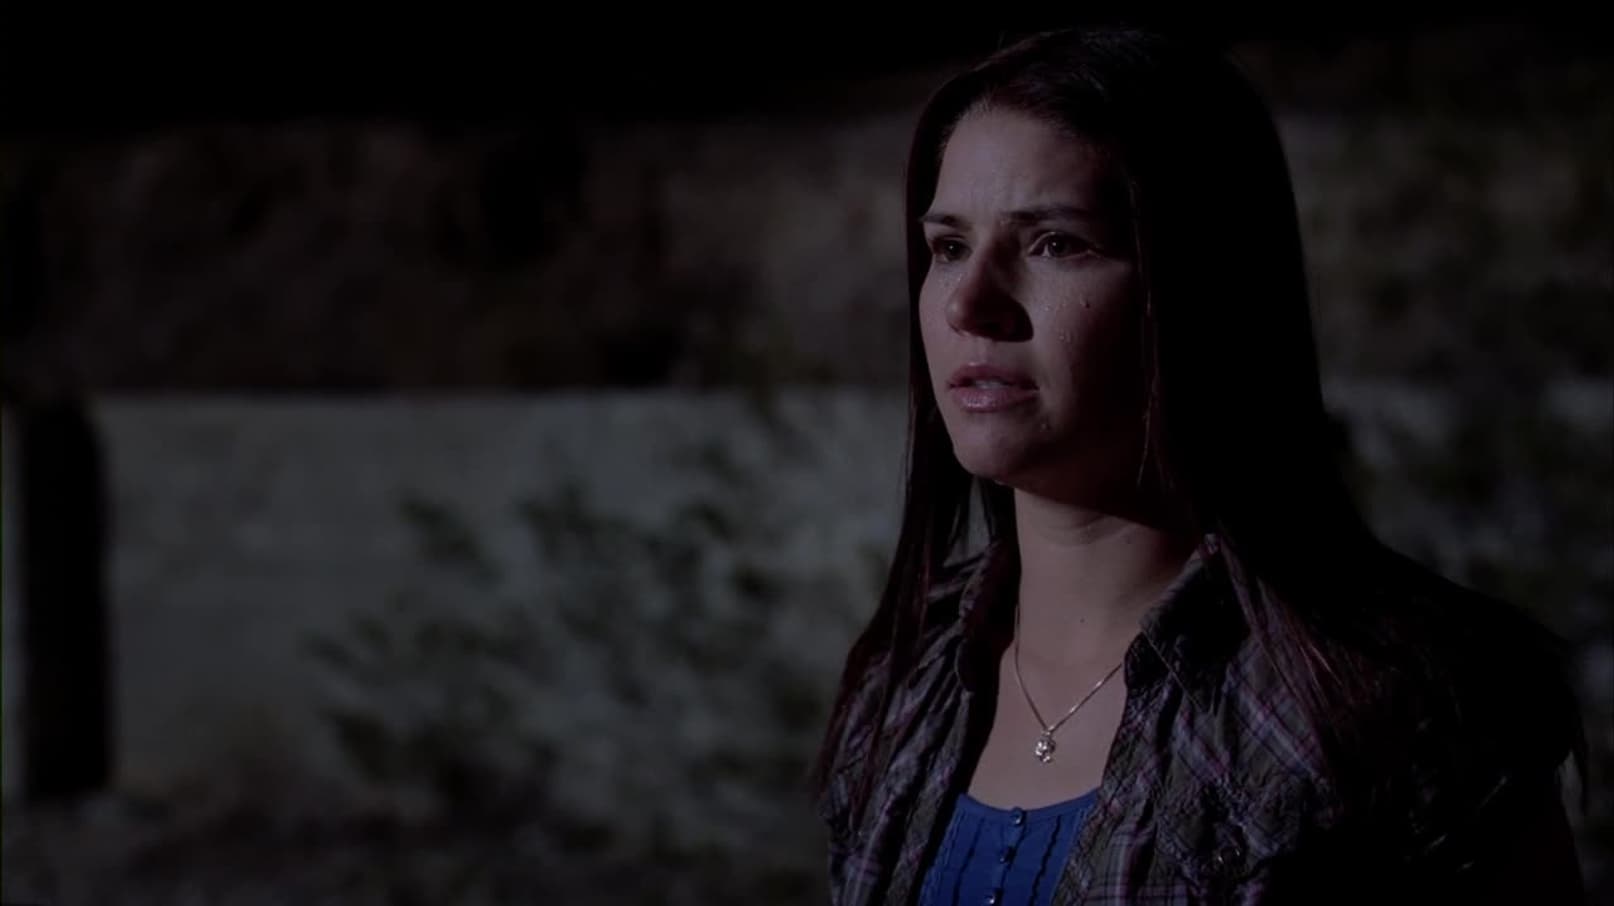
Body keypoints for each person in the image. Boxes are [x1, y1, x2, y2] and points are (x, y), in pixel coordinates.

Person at [808, 26, 1588, 906]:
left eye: (1056, 243)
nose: (968, 302)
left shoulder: (1390, 707)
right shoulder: (908, 682)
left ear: (1202, 283)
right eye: (949, 246)